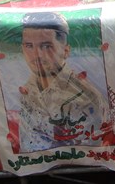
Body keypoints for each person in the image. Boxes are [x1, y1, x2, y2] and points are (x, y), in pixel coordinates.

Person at [16, 12, 109, 153]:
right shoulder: (28, 89)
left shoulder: (83, 98)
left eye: (46, 46)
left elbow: (88, 153)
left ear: (65, 51)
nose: (37, 55)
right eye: (29, 46)